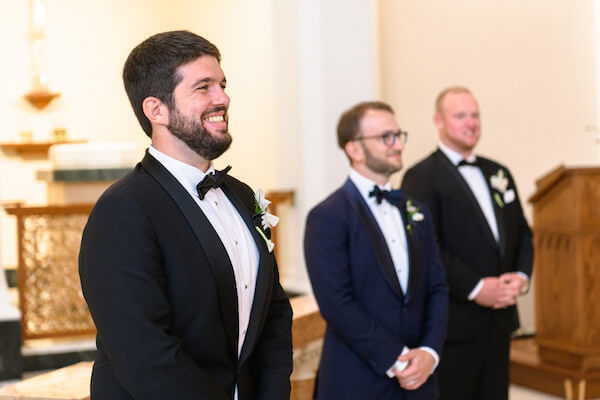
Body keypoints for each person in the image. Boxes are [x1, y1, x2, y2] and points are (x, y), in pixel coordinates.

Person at [79, 30, 293, 400]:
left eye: (222, 85)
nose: (222, 98)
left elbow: (273, 313)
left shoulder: (242, 197)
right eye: (203, 87)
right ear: (156, 110)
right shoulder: (123, 210)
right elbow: (144, 354)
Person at [304, 101, 449, 399]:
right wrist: (397, 358)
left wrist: (429, 352)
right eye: (386, 137)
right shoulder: (328, 216)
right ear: (354, 149)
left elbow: (437, 286)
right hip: (357, 378)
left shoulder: (415, 210)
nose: (398, 145)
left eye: (399, 135)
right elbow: (337, 303)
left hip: (421, 378)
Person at [401, 87, 533, 400]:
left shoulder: (498, 172)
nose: (471, 122)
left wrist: (521, 277)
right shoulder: (420, 177)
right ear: (439, 120)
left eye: (475, 115)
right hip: (454, 323)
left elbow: (524, 234)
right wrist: (476, 288)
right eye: (460, 115)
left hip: (500, 320)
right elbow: (426, 247)